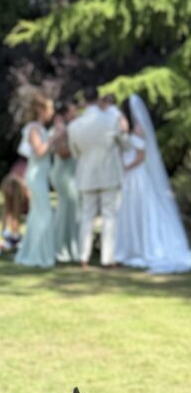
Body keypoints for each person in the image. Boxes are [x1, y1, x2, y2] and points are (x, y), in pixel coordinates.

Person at [115, 94, 191, 273]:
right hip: (129, 175)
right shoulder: (126, 130)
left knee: (143, 208)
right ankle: (133, 247)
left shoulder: (139, 129)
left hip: (137, 175)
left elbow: (141, 156)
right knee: (131, 210)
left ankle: (146, 246)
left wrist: (126, 165)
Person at [67, 85, 128, 268]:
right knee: (109, 216)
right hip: (109, 172)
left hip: (86, 173)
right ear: (99, 100)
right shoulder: (110, 121)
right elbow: (122, 143)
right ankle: (107, 258)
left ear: (84, 102)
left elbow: (75, 152)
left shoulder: (75, 125)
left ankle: (83, 257)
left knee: (87, 215)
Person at [14, 94, 56, 268]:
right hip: (35, 175)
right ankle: (37, 254)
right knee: (43, 214)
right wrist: (53, 139)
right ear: (42, 110)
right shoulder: (33, 129)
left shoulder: (40, 128)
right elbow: (39, 151)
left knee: (38, 215)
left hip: (41, 175)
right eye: (50, 109)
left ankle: (37, 251)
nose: (52, 113)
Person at [49, 101, 80, 263]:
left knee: (71, 209)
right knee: (67, 208)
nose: (75, 114)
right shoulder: (60, 130)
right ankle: (60, 247)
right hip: (63, 174)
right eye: (72, 111)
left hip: (71, 174)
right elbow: (63, 153)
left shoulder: (69, 129)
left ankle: (70, 245)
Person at [0, 158, 29, 250]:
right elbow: (9, 213)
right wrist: (7, 232)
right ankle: (15, 237)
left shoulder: (29, 195)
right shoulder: (11, 183)